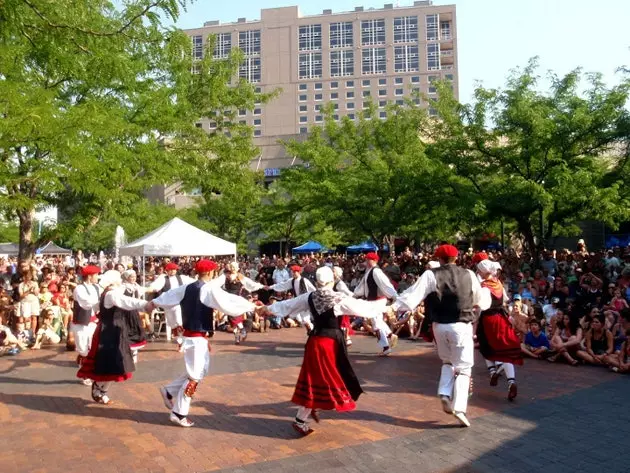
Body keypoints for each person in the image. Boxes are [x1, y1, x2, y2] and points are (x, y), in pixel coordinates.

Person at [260, 266, 389, 436]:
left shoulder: (310, 296)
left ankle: (308, 411)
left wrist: (267, 309)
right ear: (332, 280)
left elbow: (287, 305)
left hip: (315, 341)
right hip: (329, 343)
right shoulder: (338, 299)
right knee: (326, 379)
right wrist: (385, 303)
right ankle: (302, 418)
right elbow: (363, 308)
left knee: (316, 378)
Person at [390, 244, 490, 427]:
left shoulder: (431, 275)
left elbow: (413, 295)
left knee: (447, 361)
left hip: (439, 326)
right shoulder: (469, 274)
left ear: (440, 259)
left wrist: (394, 307)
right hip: (461, 325)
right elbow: (479, 300)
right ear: (456, 258)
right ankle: (459, 408)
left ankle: (444, 392)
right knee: (464, 367)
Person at [151, 259, 256, 428]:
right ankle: (179, 412)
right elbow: (228, 301)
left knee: (199, 371)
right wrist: (252, 307)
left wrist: (154, 303)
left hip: (195, 336)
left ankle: (169, 391)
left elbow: (168, 296)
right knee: (195, 376)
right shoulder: (208, 289)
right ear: (210, 273)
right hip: (196, 337)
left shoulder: (187, 287)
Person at [77, 270, 151, 405]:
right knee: (109, 363)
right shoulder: (111, 294)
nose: (121, 282)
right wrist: (145, 304)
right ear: (113, 282)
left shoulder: (108, 294)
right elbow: (126, 302)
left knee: (117, 364)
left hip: (115, 330)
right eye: (118, 280)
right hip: (108, 332)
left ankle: (101, 389)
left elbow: (97, 307)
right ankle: (99, 388)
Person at [475, 259, 523, 401]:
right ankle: (511, 381)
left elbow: (482, 306)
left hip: (489, 320)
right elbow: (505, 301)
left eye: (479, 270)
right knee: (506, 350)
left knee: (485, 346)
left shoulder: (484, 287)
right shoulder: (498, 284)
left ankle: (493, 371)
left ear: (484, 272)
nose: (477, 272)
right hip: (502, 318)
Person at [354, 252, 399, 356]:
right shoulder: (369, 271)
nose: (366, 261)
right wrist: (355, 294)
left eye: (367, 259)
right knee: (376, 322)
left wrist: (394, 295)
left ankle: (386, 347)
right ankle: (390, 335)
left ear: (373, 260)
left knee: (376, 324)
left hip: (378, 300)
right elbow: (362, 286)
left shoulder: (376, 271)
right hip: (374, 300)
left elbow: (386, 284)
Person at [216, 261, 265, 344]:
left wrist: (261, 286)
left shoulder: (240, 277)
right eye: (231, 267)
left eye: (234, 267)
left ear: (238, 268)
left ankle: (242, 331)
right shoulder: (225, 276)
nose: (232, 268)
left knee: (236, 318)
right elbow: (217, 284)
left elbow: (251, 284)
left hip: (237, 300)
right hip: (229, 300)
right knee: (232, 321)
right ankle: (238, 336)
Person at [147, 262, 194, 342]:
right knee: (172, 324)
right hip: (168, 305)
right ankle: (178, 338)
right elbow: (155, 286)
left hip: (179, 304)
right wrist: (148, 289)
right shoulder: (163, 278)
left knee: (179, 321)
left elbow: (193, 282)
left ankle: (181, 341)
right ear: (167, 270)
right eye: (171, 270)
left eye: (174, 270)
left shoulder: (181, 278)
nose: (173, 271)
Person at [72, 265, 102, 386]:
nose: (98, 277)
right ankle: (84, 373)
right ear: (89, 276)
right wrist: (102, 303)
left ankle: (89, 373)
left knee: (92, 348)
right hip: (81, 323)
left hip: (93, 322)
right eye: (96, 275)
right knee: (83, 349)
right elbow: (86, 302)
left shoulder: (97, 287)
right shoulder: (79, 289)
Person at [267, 265, 316, 333]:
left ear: (298, 272)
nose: (293, 273)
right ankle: (311, 330)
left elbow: (313, 290)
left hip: (305, 302)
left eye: (294, 272)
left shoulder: (304, 280)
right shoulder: (292, 281)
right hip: (297, 302)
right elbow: (282, 285)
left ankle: (312, 331)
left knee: (305, 319)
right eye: (292, 272)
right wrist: (270, 287)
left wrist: (312, 300)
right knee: (300, 319)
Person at [121, 269, 147, 362]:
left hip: (134, 312)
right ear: (127, 278)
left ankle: (134, 353)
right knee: (126, 331)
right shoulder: (123, 287)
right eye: (131, 277)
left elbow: (145, 290)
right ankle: (126, 353)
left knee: (136, 330)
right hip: (125, 312)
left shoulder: (136, 287)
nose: (133, 278)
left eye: (134, 276)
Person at [333, 266, 355, 346]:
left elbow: (348, 292)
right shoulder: (334, 282)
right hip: (336, 305)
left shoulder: (340, 283)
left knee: (344, 321)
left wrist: (356, 297)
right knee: (339, 322)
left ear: (337, 273)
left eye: (334, 271)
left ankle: (347, 338)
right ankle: (343, 338)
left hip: (341, 304)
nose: (332, 273)